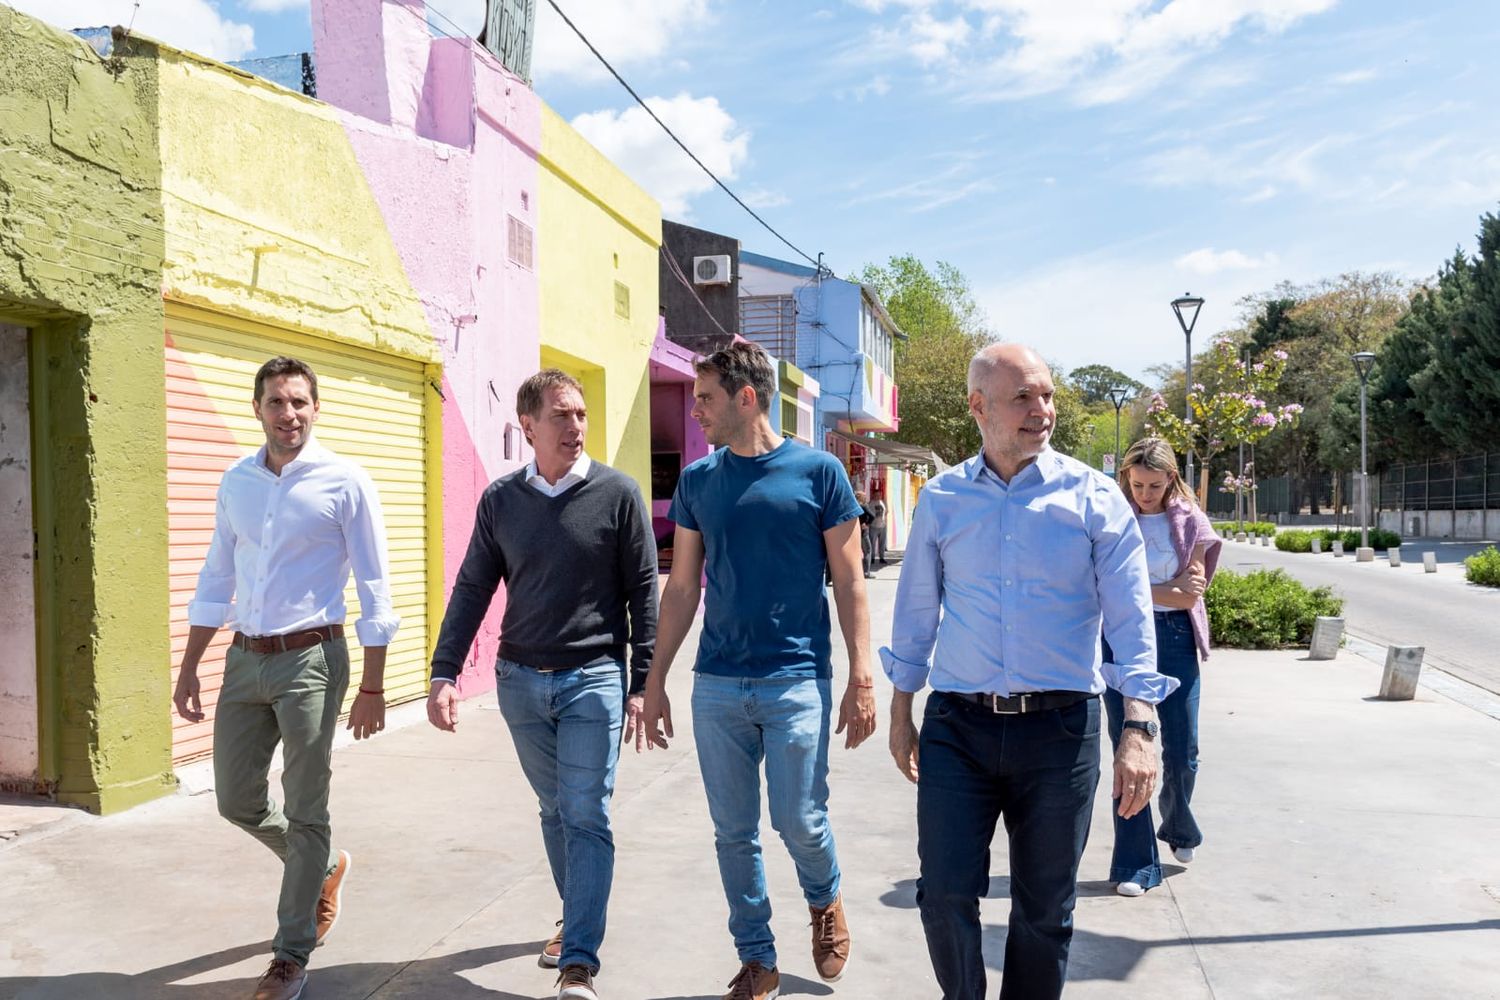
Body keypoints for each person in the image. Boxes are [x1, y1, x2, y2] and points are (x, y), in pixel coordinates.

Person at [882, 343, 1178, 1000]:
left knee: (1046, 910)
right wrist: (901, 711)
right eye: (1024, 397)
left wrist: (1138, 727)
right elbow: (916, 615)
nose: (1042, 410)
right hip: (958, 728)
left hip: (1061, 733)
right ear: (978, 406)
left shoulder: (1098, 500)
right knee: (943, 894)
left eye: (1047, 395)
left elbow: (1131, 625)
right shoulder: (943, 498)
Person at [639, 342, 878, 1000]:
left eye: (707, 398)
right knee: (733, 831)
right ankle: (757, 957)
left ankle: (824, 900)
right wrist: (656, 680)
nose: (696, 411)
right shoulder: (698, 482)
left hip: (797, 679)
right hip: (717, 684)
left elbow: (851, 581)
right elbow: (683, 589)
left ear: (747, 398)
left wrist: (862, 678)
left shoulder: (819, 472)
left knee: (799, 818)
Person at [425, 369, 658, 1000]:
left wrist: (643, 682)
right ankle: (575, 914)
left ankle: (578, 961)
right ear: (527, 426)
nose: (575, 426)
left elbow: (644, 591)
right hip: (521, 683)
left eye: (581, 414)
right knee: (555, 810)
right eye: (561, 415)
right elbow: (474, 587)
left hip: (594, 680)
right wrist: (445, 671)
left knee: (586, 812)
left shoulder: (618, 493)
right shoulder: (502, 501)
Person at [173, 356, 398, 1000]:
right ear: (257, 408)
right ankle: (322, 864)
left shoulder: (346, 481)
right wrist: (190, 664)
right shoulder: (236, 482)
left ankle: (290, 953)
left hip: (312, 660)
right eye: (276, 401)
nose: (288, 413)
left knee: (306, 805)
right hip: (244, 659)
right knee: (234, 798)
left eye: (300, 401)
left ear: (316, 408)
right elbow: (217, 576)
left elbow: (375, 586)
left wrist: (374, 685)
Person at [1108, 437, 1221, 896]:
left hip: (1175, 638)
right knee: (1128, 752)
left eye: (1154, 485)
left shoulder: (1190, 521)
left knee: (1182, 751)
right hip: (1120, 639)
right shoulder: (1114, 517)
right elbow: (1103, 586)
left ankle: (1178, 826)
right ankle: (1135, 866)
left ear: (1171, 479)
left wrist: (1135, 587)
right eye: (1136, 484)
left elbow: (1190, 595)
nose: (1144, 494)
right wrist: (1164, 586)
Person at [855, 489, 877, 578]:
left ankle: (857, 572)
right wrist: (867, 524)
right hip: (864, 533)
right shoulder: (864, 506)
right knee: (867, 551)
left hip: (855, 532)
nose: (866, 498)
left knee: (856, 552)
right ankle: (866, 572)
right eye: (864, 496)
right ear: (861, 497)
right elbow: (872, 516)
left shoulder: (853, 506)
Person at [869, 494, 888, 566]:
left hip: (883, 526)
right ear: (874, 496)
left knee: (882, 543)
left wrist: (885, 523)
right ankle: (872, 558)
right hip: (873, 526)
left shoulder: (883, 502)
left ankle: (882, 558)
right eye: (877, 495)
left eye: (879, 495)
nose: (878, 496)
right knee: (872, 543)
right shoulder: (871, 503)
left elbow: (886, 513)